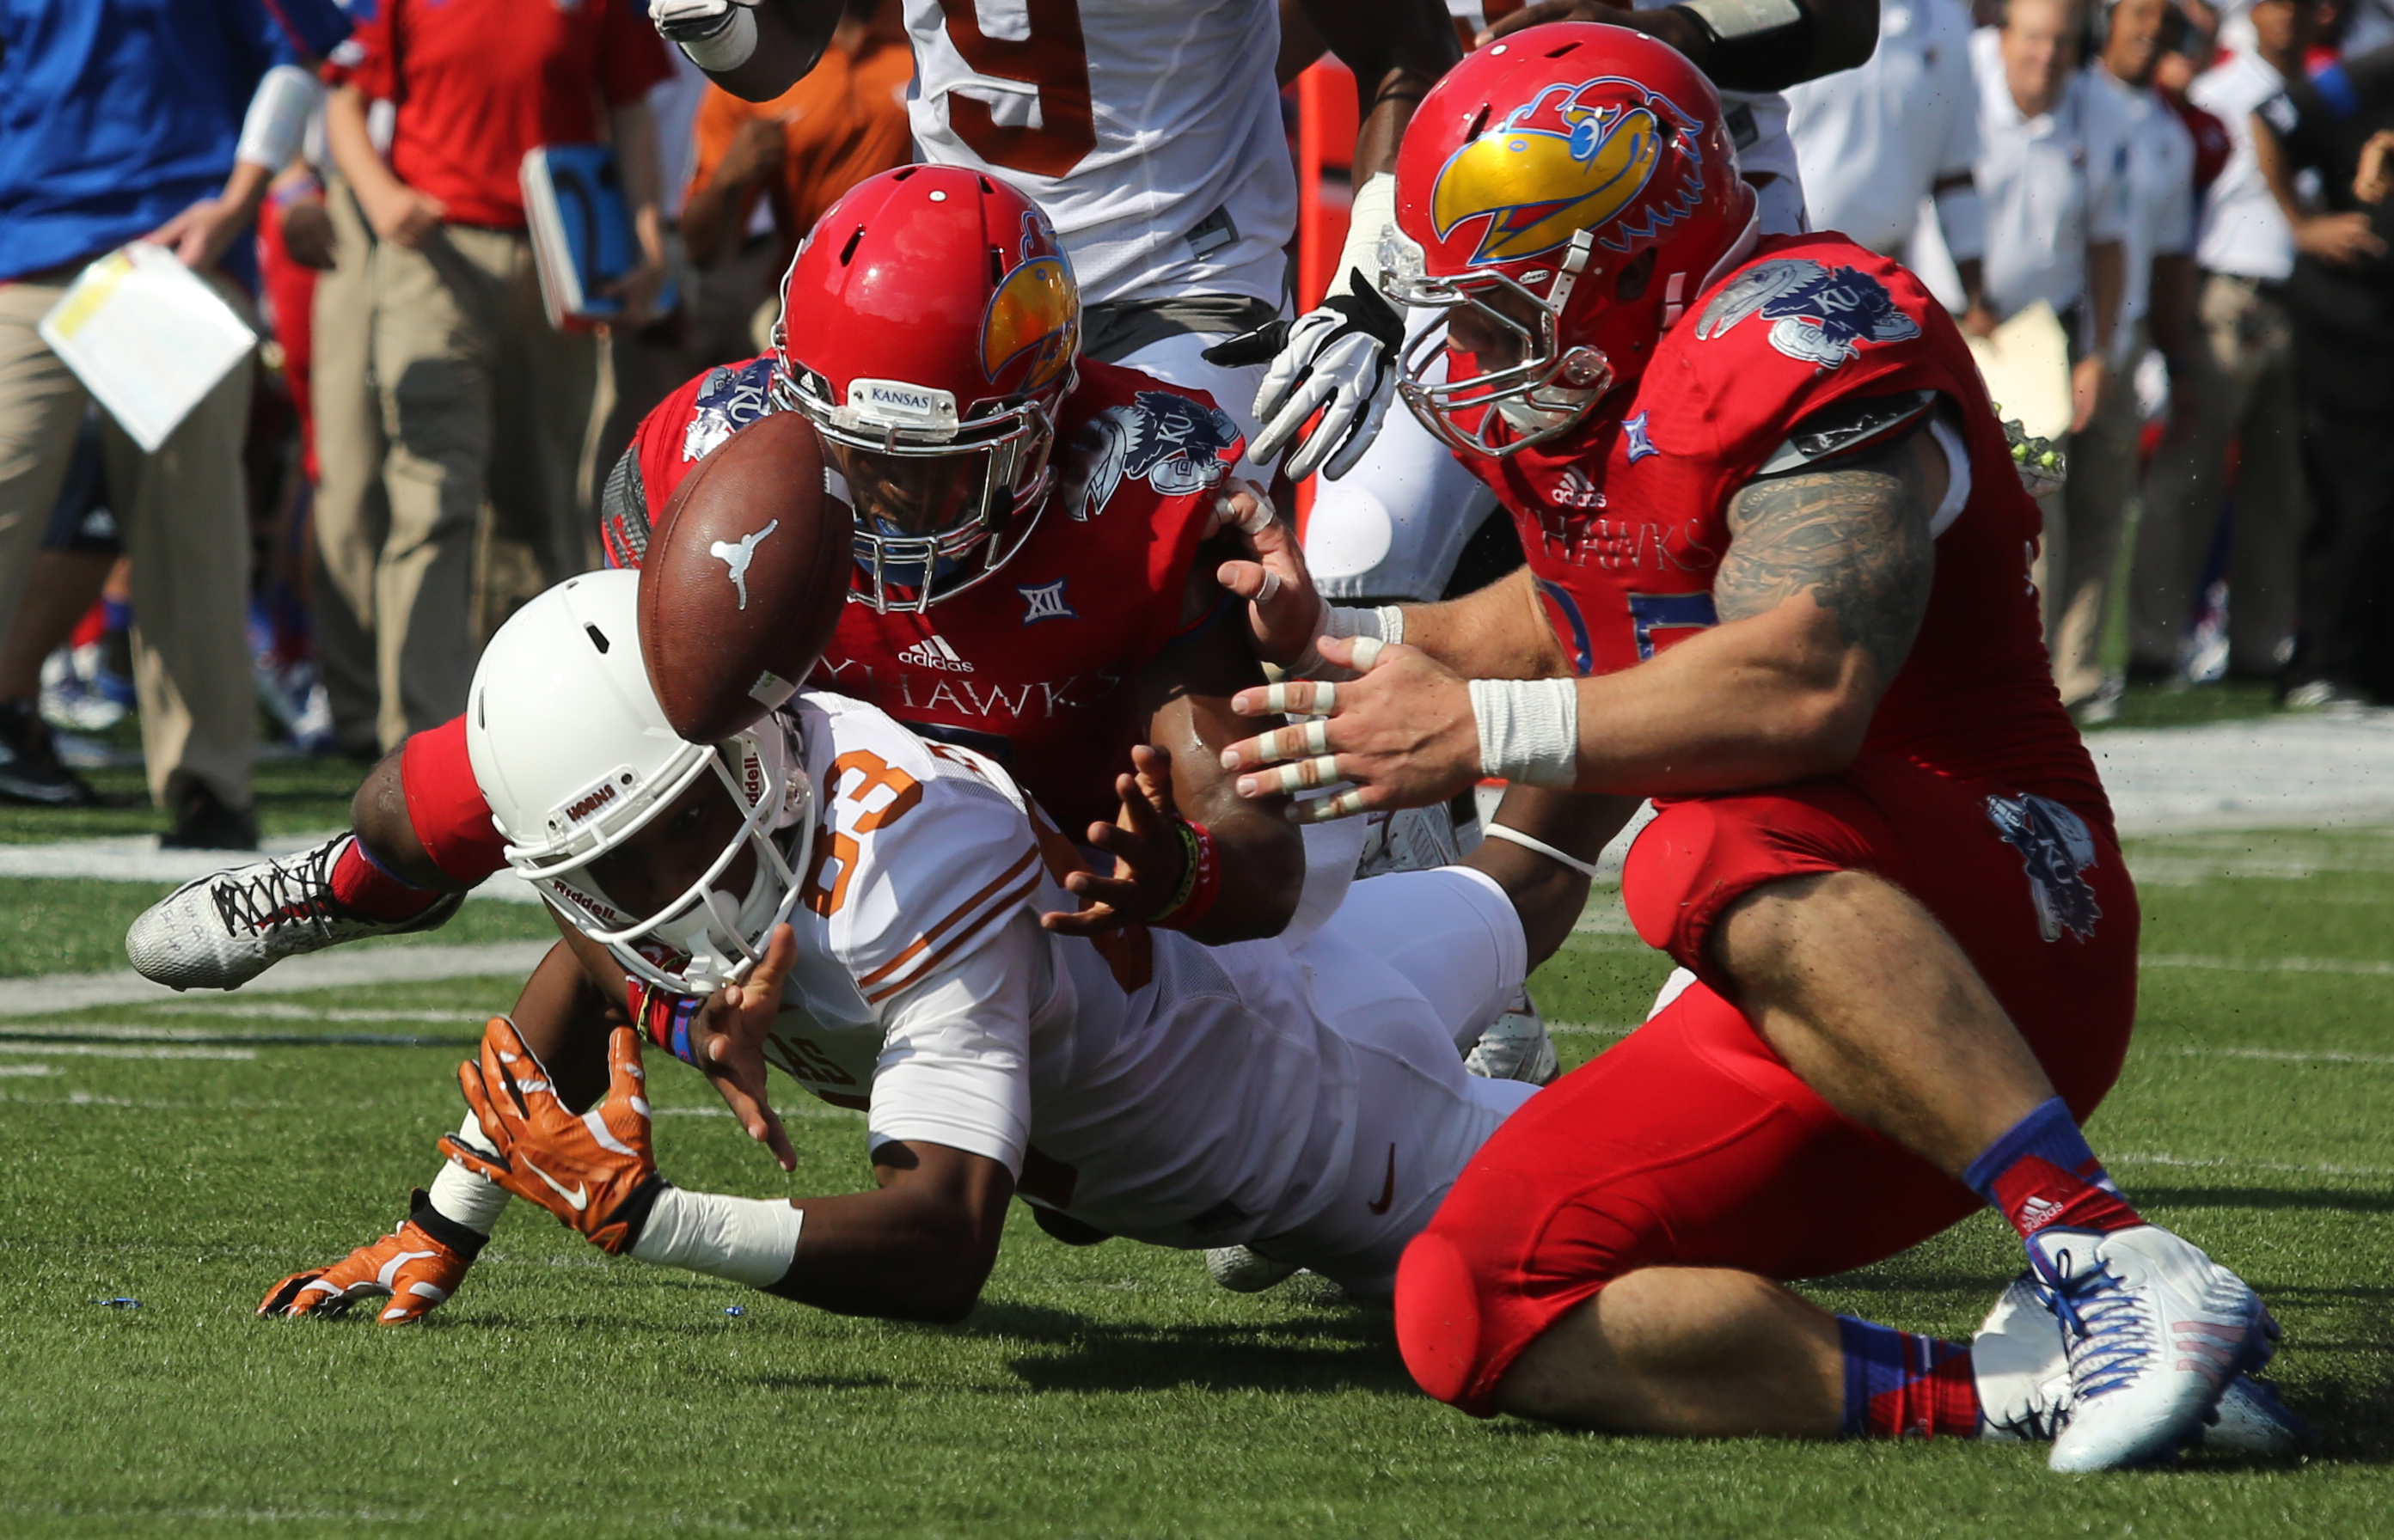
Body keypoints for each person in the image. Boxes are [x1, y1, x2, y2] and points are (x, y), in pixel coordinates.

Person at [132, 168, 1592, 1307]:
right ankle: (324, 883)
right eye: (862, 465)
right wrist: (444, 1212)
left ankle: (1595, 739)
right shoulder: (719, 465)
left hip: (1088, 881)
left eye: (941, 467)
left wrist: (1178, 883)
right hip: (919, 845)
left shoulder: (1139, 492)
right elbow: (617, 834)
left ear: (1046, 411)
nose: (893, 510)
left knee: (1261, 1094)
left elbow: (1255, 869)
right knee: (456, 786)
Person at [1207, 25, 2278, 1470]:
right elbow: (1580, 600)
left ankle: (2107, 1256)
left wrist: (1477, 729)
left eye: (1500, 308)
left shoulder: (1803, 331)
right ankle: (2020, 1387)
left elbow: (1804, 681)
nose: (1469, 355)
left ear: (1628, 255)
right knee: (1467, 1299)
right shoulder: (1604, 395)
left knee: (1703, 834)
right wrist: (1351, 632)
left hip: (2002, 919)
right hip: (1808, 972)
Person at [268, 566, 1557, 1323]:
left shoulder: (907, 870)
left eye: (679, 829)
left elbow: (943, 1243)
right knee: (1507, 895)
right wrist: (446, 1219)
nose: (667, 888)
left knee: (1669, 1194)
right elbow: (594, 967)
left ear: (742, 746)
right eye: (613, 865)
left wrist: (653, 1220)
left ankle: (1641, 671)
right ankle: (1611, 667)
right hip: (1242, 992)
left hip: (1334, 1137)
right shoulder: (717, 794)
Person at [0, 0, 349, 846]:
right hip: (24, 256)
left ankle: (210, 787)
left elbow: (297, 61)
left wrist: (237, 204)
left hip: (177, 258)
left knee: (191, 537)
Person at [319, 0, 674, 742]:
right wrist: (380, 198)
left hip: (557, 259)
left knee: (542, 499)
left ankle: (536, 727)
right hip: (435, 257)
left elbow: (631, 110)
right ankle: (420, 735)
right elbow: (344, 102)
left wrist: (646, 233)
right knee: (431, 496)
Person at [2129, 0, 2311, 686]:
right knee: (2190, 477)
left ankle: (2260, 649)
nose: (2291, 19)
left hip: (2291, 295)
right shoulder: (2220, 94)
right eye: (2276, 6)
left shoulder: (2306, 90)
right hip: (2225, 291)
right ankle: (2154, 646)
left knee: (2277, 488)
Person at [1967, 0, 2134, 715]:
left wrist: (2097, 352)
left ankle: (2068, 673)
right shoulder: (1962, 95)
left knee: (2063, 501)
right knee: (2022, 505)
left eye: (2063, 42)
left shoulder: (2096, 108)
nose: (2047, 56)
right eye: (2034, 39)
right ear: (2003, 38)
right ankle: (2012, 674)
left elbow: (2106, 239)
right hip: (1964, 323)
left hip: (2045, 335)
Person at [2068, 0, 2203, 719]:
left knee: (2099, 510)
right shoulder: (2074, 97)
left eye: (2163, 18)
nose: (2151, 29)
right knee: (2039, 514)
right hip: (2054, 332)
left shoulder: (2170, 133)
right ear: (2109, 20)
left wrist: (2176, 360)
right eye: (2139, 12)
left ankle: (2081, 670)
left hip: (2122, 343)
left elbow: (2169, 257)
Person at [2254, 46, 2394, 704]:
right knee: (2358, 487)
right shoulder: (2372, 72)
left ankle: (2370, 665)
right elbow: (2273, 118)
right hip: (2355, 308)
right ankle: (2325, 664)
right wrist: (2300, 224)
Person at [677, 0, 913, 278]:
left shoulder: (930, 35)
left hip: (926, 286)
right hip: (807, 290)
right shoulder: (753, 65)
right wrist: (729, 180)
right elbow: (701, 253)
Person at [1785, 0, 1989, 312]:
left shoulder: (1948, 19)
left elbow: (1955, 173)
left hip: (1881, 281)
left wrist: (1977, 297)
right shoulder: (1776, 8)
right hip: (1778, 271)